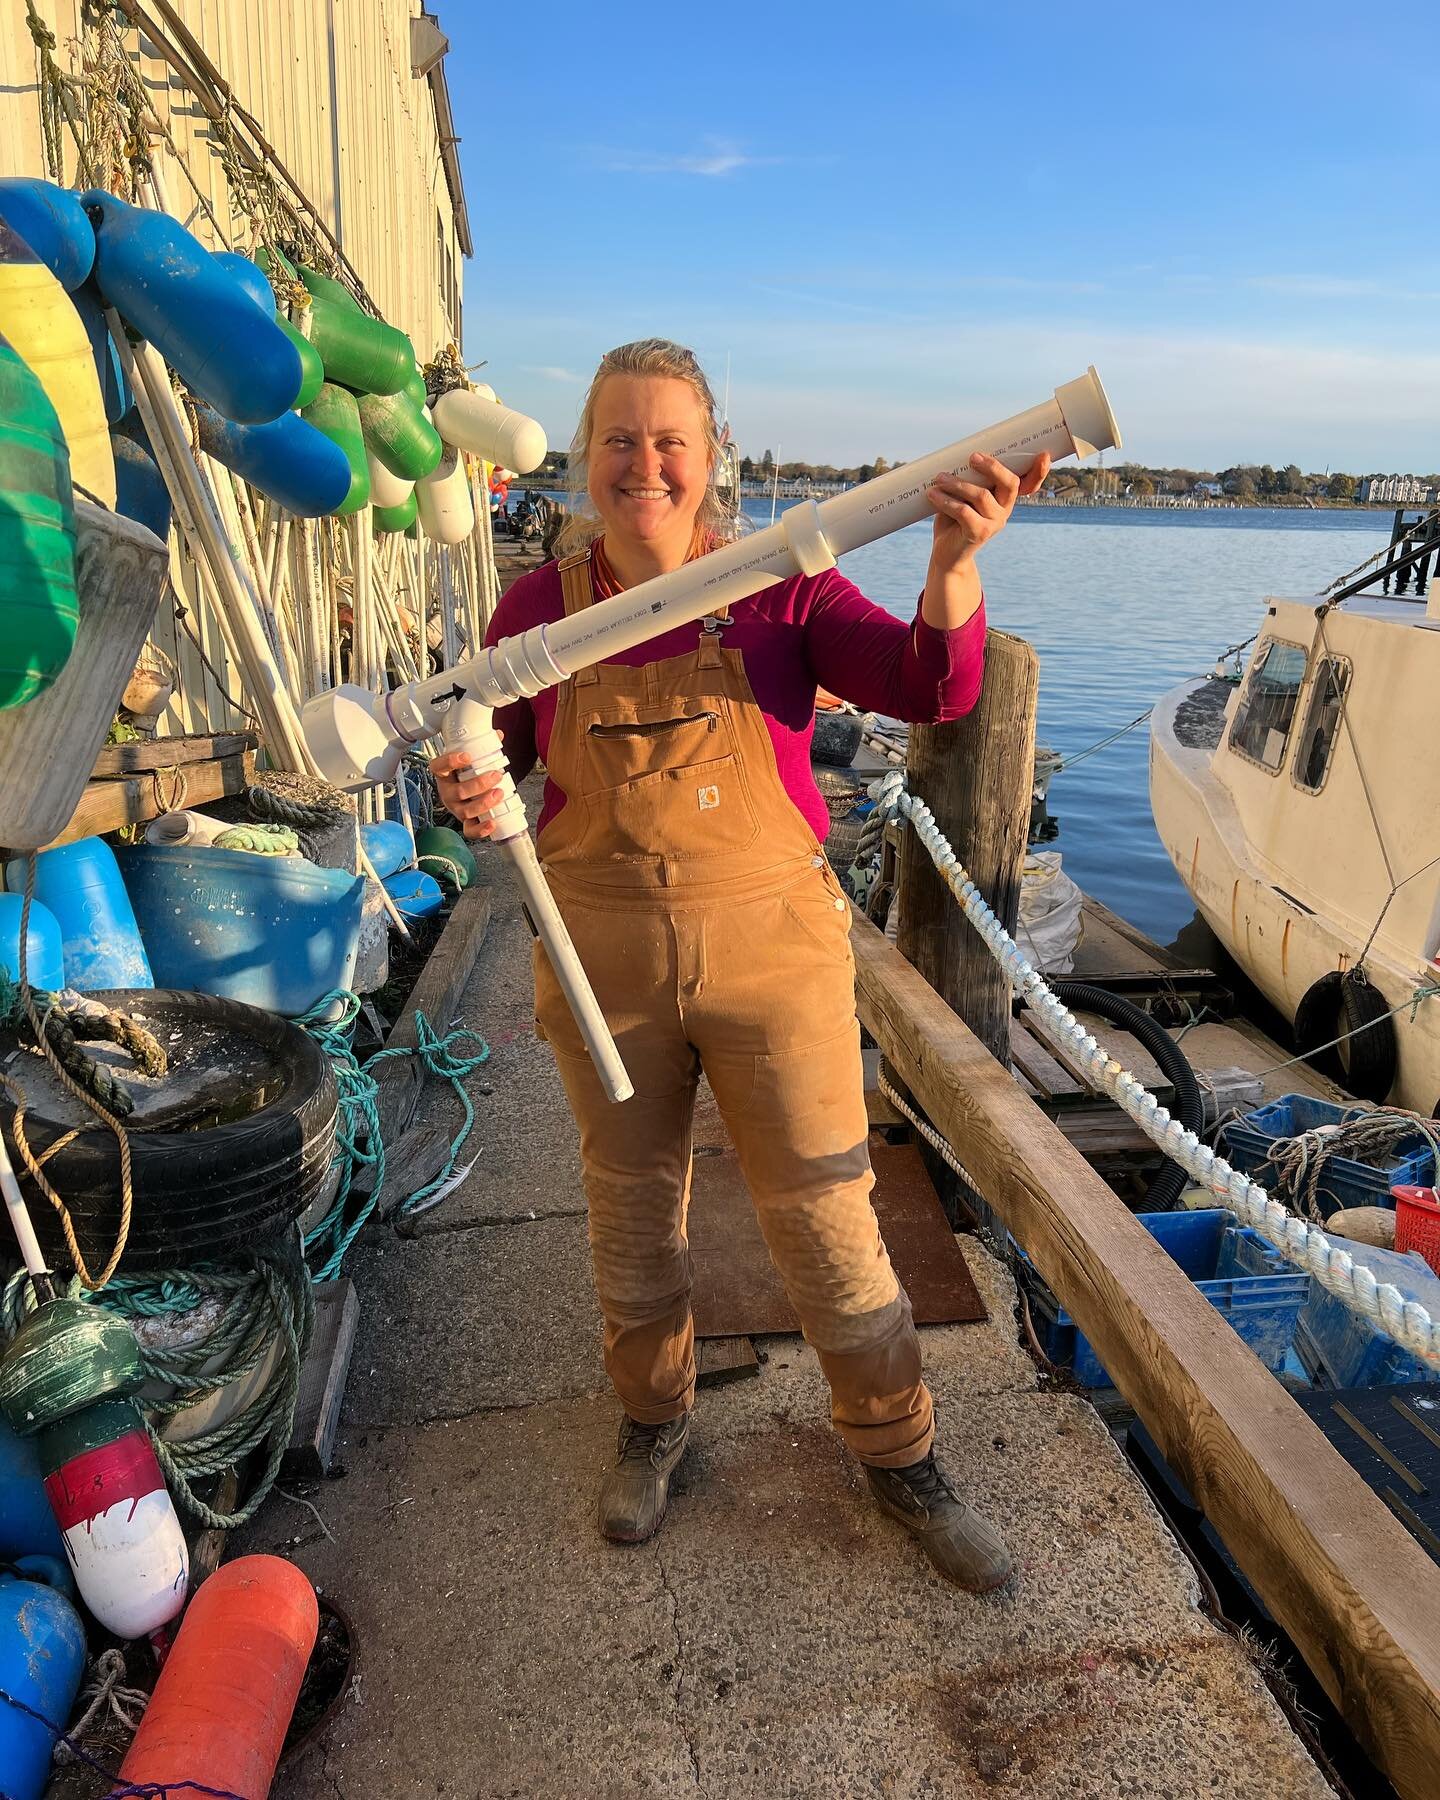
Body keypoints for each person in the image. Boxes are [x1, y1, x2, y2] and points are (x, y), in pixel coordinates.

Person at [432, 339, 1048, 1592]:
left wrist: (954, 561)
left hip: (773, 949)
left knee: (827, 1209)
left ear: (713, 457)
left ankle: (900, 1455)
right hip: (599, 957)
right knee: (630, 1210)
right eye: (618, 439)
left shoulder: (783, 589)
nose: (643, 464)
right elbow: (476, 756)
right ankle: (653, 1424)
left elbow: (929, 686)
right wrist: (463, 788)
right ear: (586, 456)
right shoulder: (535, 611)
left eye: (670, 441)